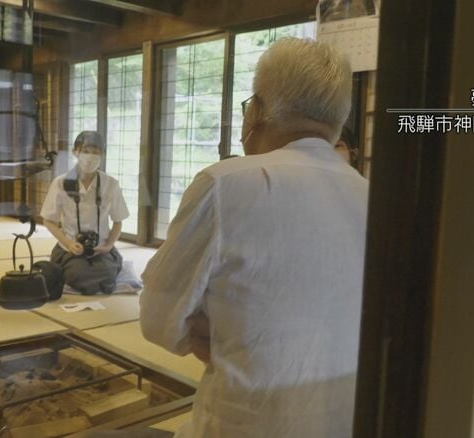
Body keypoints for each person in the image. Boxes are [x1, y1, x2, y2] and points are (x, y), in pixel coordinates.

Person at [140, 38, 368, 437]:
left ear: (256, 113)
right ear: (336, 123)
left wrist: (211, 327)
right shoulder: (372, 197)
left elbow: (158, 319)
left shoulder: (224, 184)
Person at [41, 131, 129, 295]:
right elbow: (48, 220)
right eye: (86, 151)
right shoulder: (61, 182)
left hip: (101, 248)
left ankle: (103, 271)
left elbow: (118, 221)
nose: (90, 157)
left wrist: (108, 245)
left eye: (96, 152)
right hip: (70, 249)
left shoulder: (111, 184)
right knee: (77, 274)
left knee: (107, 273)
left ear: (103, 154)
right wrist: (68, 243)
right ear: (75, 152)